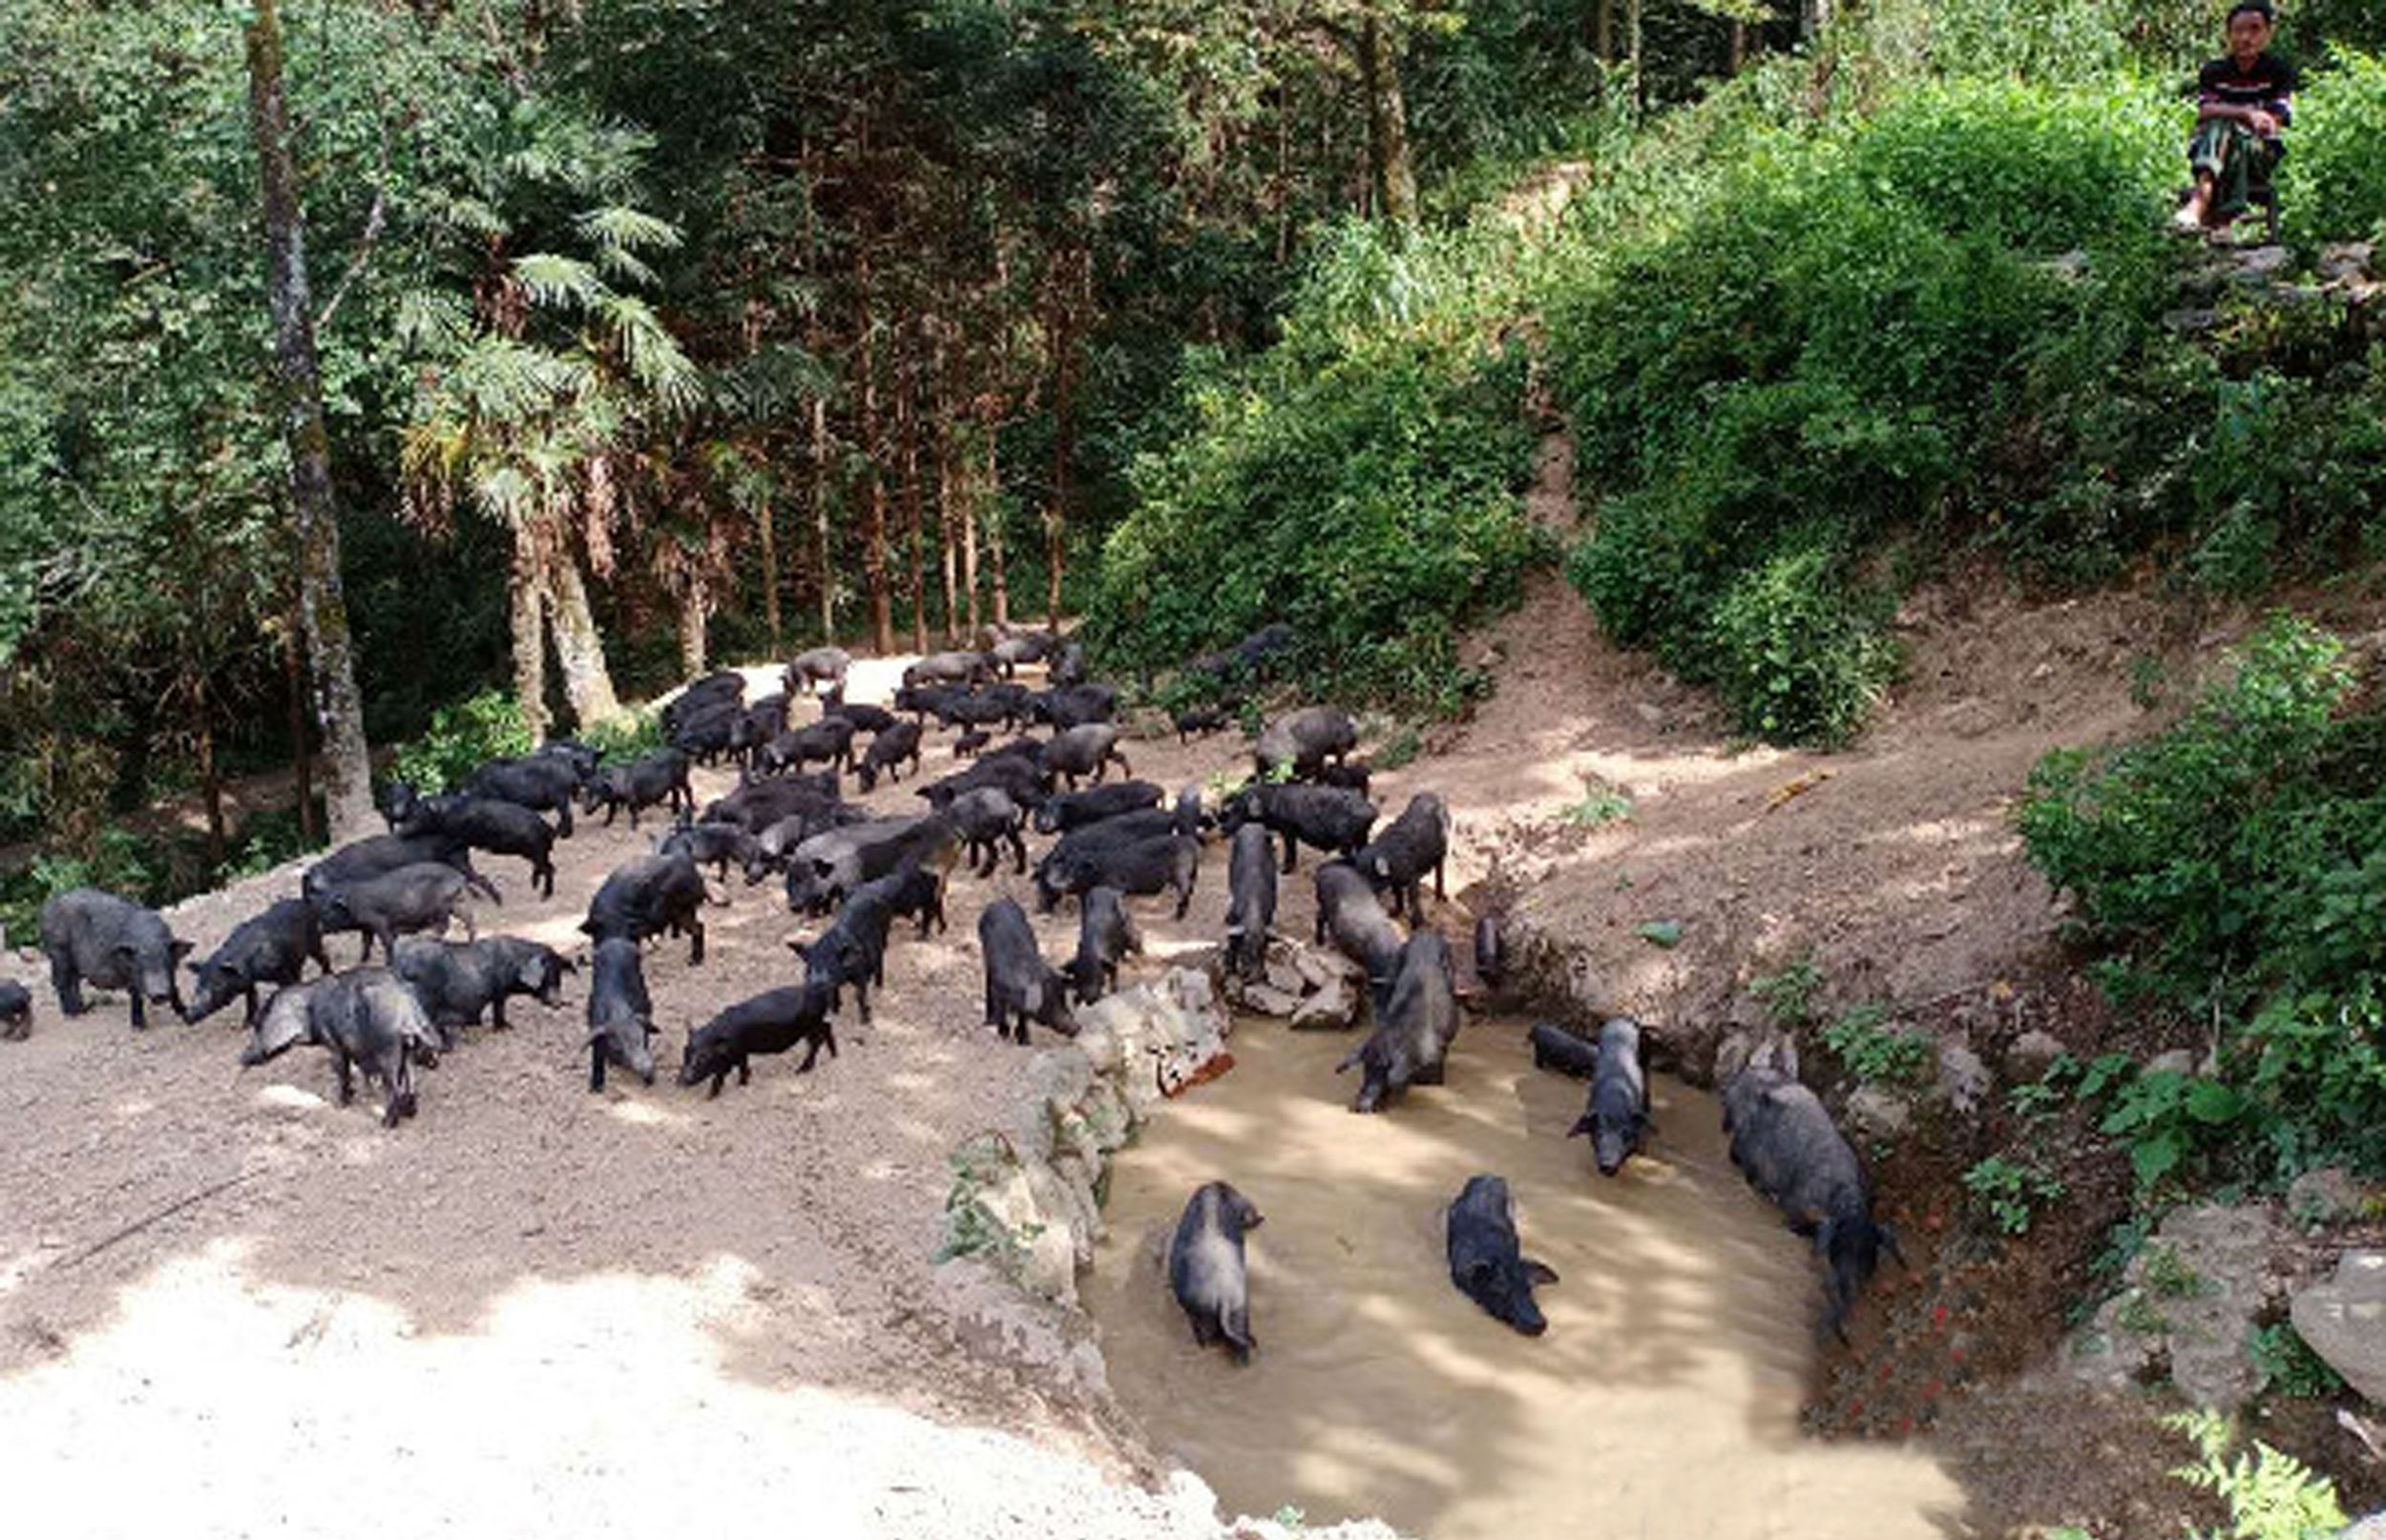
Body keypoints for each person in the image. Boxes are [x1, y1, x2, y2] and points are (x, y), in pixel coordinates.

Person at [2175, 1, 2298, 235]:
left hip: (2259, 153)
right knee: (2223, 127)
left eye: (2254, 29)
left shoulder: (2279, 71)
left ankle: (2201, 203)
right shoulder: (2214, 72)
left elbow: (2273, 122)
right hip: (2215, 147)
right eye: (2238, 30)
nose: (2245, 37)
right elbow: (2205, 111)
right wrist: (2247, 113)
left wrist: (2235, 117)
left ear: (2268, 33)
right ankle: (2226, 220)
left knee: (2226, 128)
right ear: (2228, 35)